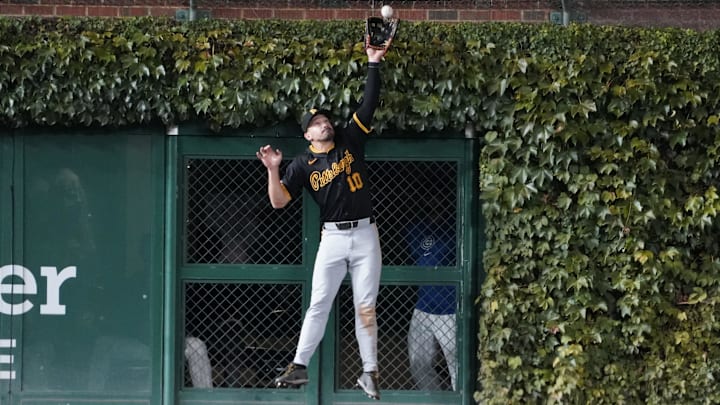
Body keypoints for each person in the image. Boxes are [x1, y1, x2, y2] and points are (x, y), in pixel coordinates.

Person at [255, 41, 390, 400]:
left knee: (366, 305)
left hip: (365, 234)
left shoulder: (350, 140)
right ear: (307, 135)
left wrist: (373, 63)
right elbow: (279, 202)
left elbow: (369, 104)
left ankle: (370, 372)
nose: (324, 123)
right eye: (316, 123)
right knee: (319, 302)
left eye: (325, 119)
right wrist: (273, 170)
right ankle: (299, 366)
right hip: (332, 237)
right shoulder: (300, 164)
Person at [405, 202, 458, 391]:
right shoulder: (419, 229)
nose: (435, 208)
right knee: (418, 362)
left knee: (456, 363)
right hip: (423, 306)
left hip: (449, 309)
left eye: (438, 203)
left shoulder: (453, 230)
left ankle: (459, 399)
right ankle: (434, 400)